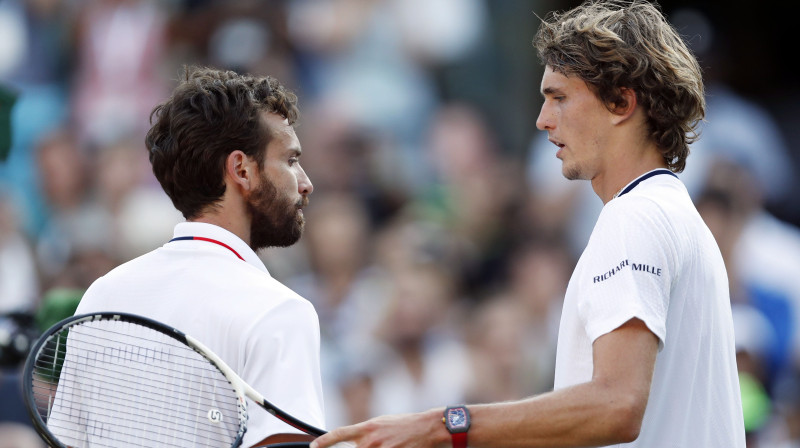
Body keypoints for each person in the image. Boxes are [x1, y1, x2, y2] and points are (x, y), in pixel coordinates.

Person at [310, 1, 745, 447]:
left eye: (559, 98)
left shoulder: (635, 217)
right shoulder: (677, 217)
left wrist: (441, 426)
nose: (542, 120)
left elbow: (618, 405)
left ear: (620, 101)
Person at [65, 66, 323, 447]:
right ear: (241, 170)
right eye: (289, 160)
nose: (305, 183)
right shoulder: (280, 311)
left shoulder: (102, 296)